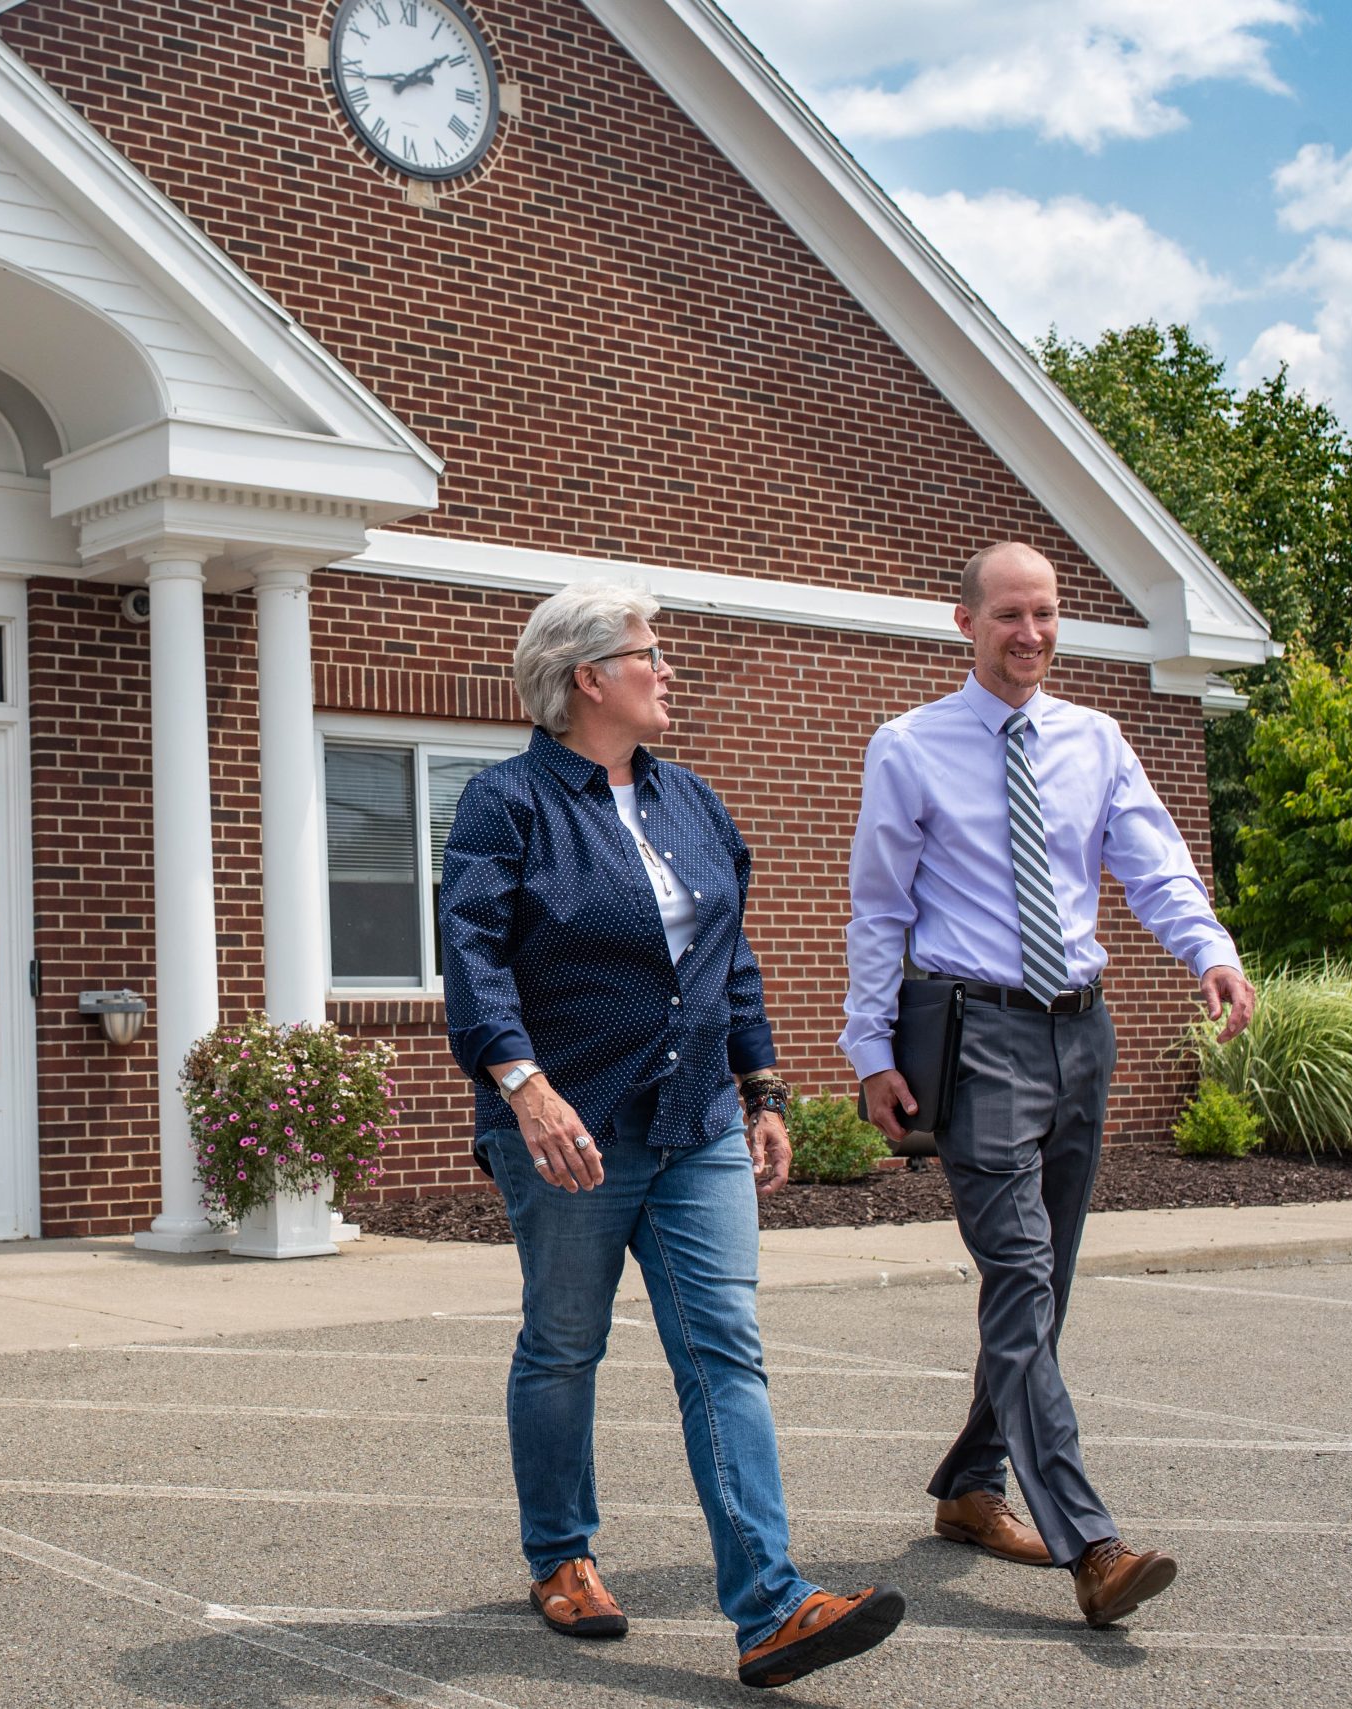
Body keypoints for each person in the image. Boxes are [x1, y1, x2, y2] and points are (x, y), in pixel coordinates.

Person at [442, 582, 905, 1692]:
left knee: (724, 1352)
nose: (668, 669)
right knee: (563, 1345)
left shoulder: (691, 798)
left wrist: (764, 1088)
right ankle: (560, 1553)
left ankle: (771, 1606)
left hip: (694, 1119)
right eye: (649, 653)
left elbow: (727, 958)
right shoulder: (505, 802)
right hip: (571, 1129)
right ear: (586, 676)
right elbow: (473, 952)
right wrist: (525, 1085)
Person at [841, 541, 1257, 1629]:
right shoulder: (909, 747)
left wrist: (1205, 948)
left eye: (1046, 614)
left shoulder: (1096, 738)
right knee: (1021, 1273)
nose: (1030, 633)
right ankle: (1092, 1542)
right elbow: (878, 910)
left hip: (1082, 1033)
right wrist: (870, 1051)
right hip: (973, 1037)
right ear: (963, 622)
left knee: (1044, 1281)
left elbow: (1152, 859)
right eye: (1010, 614)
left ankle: (974, 1487)